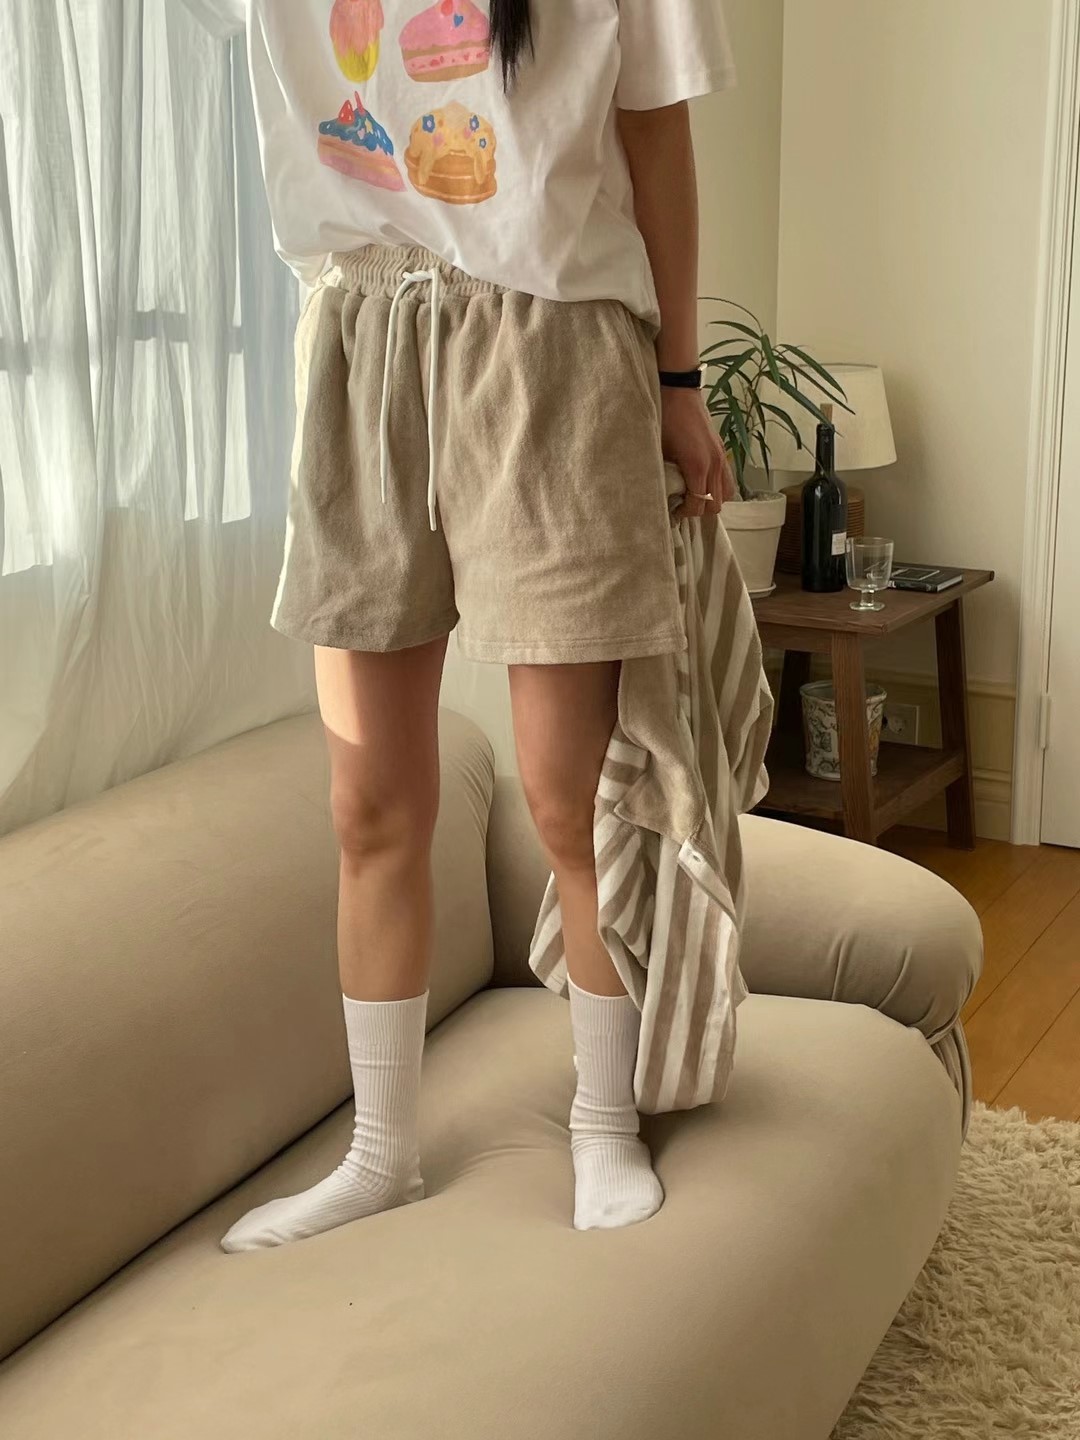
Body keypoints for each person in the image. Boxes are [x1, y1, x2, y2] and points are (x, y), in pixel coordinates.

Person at [201, 0, 738, 1248]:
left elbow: (656, 132)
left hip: (553, 346)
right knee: (369, 802)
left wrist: (680, 382)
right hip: (359, 334)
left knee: (570, 797)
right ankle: (380, 1151)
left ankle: (604, 1119)